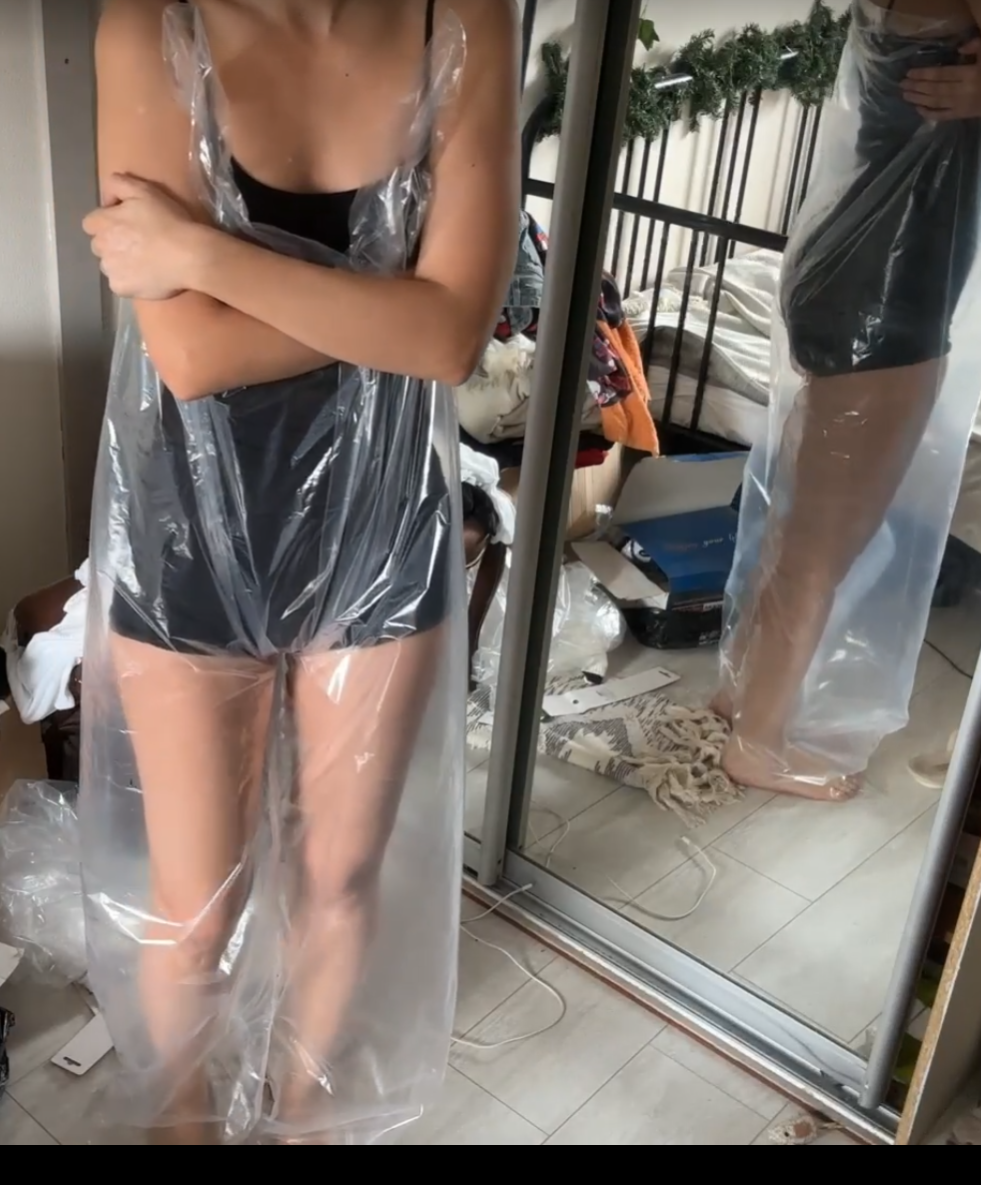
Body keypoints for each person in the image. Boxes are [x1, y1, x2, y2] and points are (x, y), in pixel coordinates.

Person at [81, 0, 518, 1145]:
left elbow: (453, 339)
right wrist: (398, 305)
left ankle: (305, 1114)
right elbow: (191, 353)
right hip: (189, 533)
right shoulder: (155, 27)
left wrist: (204, 256)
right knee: (196, 905)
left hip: (382, 526)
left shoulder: (462, 18)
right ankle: (183, 1122)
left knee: (340, 878)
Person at [715, 0, 981, 801]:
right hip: (892, 290)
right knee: (824, 545)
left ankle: (739, 693)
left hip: (845, 259)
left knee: (803, 519)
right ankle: (757, 743)